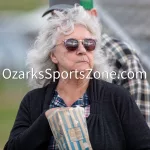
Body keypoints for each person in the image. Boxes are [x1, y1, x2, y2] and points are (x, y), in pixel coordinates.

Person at [4, 5, 150, 150]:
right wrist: (46, 120)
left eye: (89, 44)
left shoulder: (117, 98)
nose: (82, 50)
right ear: (53, 55)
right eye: (71, 44)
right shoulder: (33, 101)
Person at [42, 0, 150, 127]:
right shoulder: (51, 51)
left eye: (73, 15)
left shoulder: (121, 55)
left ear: (93, 14)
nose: (65, 23)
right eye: (57, 16)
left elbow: (141, 122)